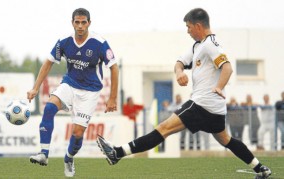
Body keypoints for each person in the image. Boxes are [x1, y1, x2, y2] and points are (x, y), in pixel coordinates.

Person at [96, 8, 271, 178]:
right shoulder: (197, 47)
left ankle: (117, 153)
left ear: (198, 26)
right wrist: (180, 72)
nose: (187, 31)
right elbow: (179, 62)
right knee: (226, 140)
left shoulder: (211, 45)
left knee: (163, 129)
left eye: (188, 27)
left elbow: (227, 68)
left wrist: (219, 86)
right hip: (215, 111)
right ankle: (260, 168)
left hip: (202, 104)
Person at [27, 8, 119, 177]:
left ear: (89, 23)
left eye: (84, 22)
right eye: (77, 22)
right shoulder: (64, 41)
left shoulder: (99, 43)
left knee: (77, 134)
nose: (80, 26)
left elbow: (114, 68)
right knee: (49, 108)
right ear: (72, 23)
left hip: (90, 92)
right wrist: (35, 87)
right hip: (70, 84)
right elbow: (48, 63)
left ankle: (69, 158)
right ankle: (43, 154)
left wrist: (112, 98)